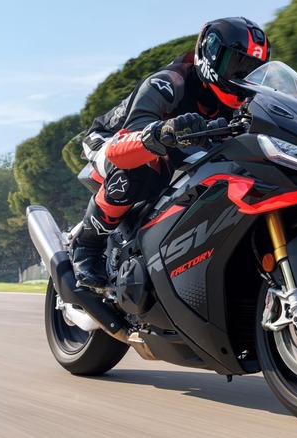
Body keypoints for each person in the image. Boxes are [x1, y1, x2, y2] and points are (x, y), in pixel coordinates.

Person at [72, 17, 271, 288]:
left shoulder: (245, 104)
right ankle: (87, 246)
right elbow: (129, 142)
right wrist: (164, 130)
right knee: (142, 168)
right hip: (111, 140)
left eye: (252, 70)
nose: (243, 77)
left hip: (175, 149)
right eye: (237, 65)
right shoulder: (168, 83)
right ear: (211, 55)